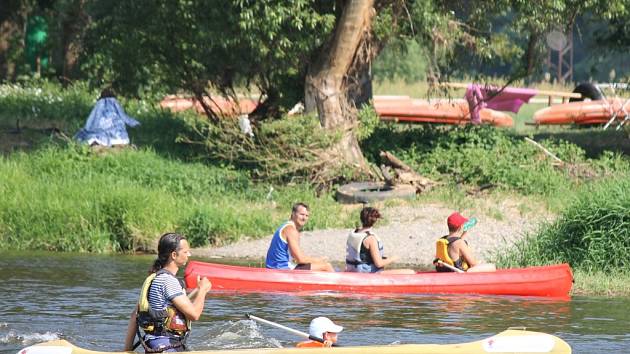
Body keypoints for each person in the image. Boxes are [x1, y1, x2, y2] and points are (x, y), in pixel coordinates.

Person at [124, 233, 212, 352]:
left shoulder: (155, 278)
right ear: (174, 255)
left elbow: (134, 315)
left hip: (155, 344)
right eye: (186, 252)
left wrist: (127, 350)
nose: (189, 255)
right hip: (167, 345)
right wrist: (203, 290)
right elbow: (194, 314)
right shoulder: (168, 281)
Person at [265, 203, 334, 272]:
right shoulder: (291, 230)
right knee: (326, 266)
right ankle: (340, 282)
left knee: (319, 265)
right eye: (302, 214)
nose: (304, 218)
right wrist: (319, 260)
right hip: (282, 269)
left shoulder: (285, 226)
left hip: (274, 267)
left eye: (307, 215)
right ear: (293, 214)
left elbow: (295, 258)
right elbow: (300, 259)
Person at [345, 207, 415, 274]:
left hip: (353, 271)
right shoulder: (371, 239)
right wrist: (393, 258)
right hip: (368, 274)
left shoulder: (355, 232)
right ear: (376, 221)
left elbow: (363, 254)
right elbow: (379, 264)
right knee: (411, 272)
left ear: (361, 218)